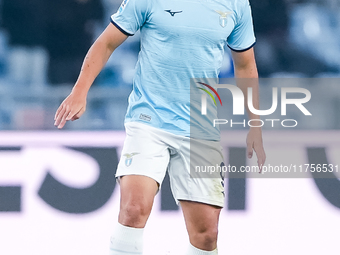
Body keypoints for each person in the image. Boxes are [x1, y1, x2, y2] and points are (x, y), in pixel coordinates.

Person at [54, 0, 266, 254]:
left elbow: (245, 65)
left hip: (200, 128)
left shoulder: (236, 4)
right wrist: (80, 91)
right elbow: (107, 42)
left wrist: (255, 124)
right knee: (134, 209)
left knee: (206, 234)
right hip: (148, 120)